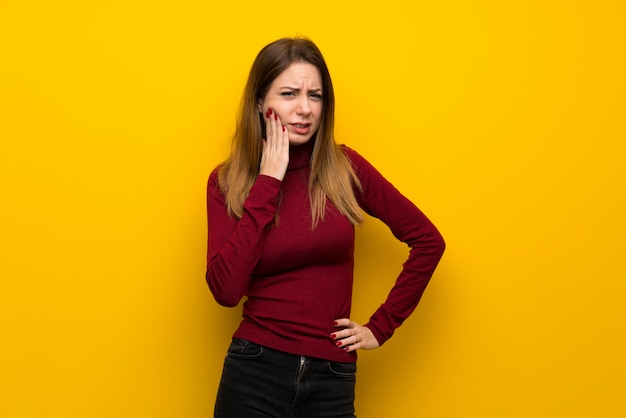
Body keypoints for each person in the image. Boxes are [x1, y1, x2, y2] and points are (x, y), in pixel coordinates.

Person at [206, 37, 445, 418]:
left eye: (315, 96)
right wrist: (268, 182)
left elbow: (428, 241)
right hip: (254, 370)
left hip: (331, 375)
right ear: (259, 103)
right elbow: (225, 290)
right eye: (288, 94)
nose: (304, 109)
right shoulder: (227, 182)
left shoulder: (345, 170)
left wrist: (379, 327)